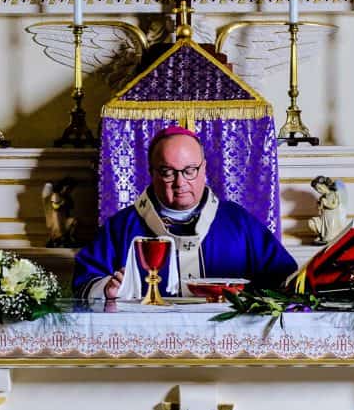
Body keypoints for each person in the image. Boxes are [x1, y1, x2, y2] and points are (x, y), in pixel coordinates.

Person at [74, 126, 297, 299]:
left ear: (204, 168)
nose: (180, 183)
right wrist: (106, 289)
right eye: (168, 172)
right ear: (152, 172)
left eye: (190, 171)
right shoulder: (123, 226)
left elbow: (284, 279)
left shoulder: (237, 222)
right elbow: (85, 281)